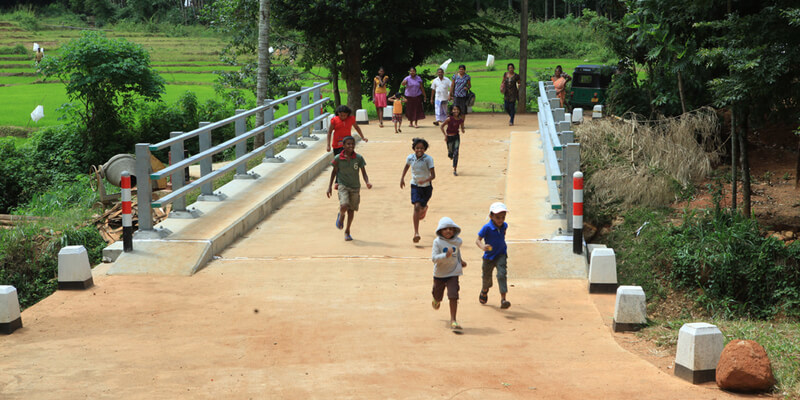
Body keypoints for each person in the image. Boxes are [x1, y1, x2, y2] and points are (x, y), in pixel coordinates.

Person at [326, 136, 372, 241]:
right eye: (348, 144)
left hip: (355, 187)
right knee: (344, 205)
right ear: (343, 145)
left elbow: (364, 172)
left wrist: (367, 182)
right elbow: (334, 172)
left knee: (351, 210)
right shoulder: (338, 158)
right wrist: (329, 187)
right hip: (343, 185)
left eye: (352, 144)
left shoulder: (358, 158)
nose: (351, 146)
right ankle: (341, 215)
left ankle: (347, 231)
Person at [431, 216, 467, 330]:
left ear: (454, 231)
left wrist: (460, 261)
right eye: (445, 229)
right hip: (440, 274)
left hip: (453, 272)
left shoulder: (457, 242)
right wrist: (445, 255)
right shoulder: (437, 242)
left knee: (453, 295)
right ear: (440, 230)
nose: (448, 231)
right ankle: (436, 299)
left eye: (451, 229)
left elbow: (457, 252)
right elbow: (434, 258)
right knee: (438, 294)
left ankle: (453, 320)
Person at [475, 202, 511, 309]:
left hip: (501, 254)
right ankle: (484, 290)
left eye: (503, 217)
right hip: (489, 257)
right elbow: (477, 240)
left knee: (502, 275)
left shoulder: (505, 226)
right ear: (491, 216)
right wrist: (483, 246)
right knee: (486, 277)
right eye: (498, 217)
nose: (501, 220)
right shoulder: (486, 228)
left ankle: (503, 299)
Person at [400, 138, 435, 243]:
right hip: (415, 185)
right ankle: (416, 233)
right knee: (416, 207)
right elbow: (406, 167)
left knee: (422, 206)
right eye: (417, 148)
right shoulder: (410, 158)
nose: (419, 150)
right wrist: (402, 178)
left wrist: (424, 180)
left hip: (426, 187)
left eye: (422, 148)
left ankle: (424, 208)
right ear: (414, 148)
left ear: (425, 149)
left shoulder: (428, 159)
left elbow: (433, 175)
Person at [440, 104, 465, 176]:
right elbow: (442, 126)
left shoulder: (460, 120)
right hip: (449, 137)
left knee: (456, 153)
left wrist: (462, 129)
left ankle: (455, 169)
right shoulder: (449, 119)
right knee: (451, 152)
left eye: (457, 109)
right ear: (451, 111)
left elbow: (462, 126)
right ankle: (450, 154)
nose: (456, 111)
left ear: (459, 111)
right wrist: (445, 135)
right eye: (454, 109)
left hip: (456, 137)